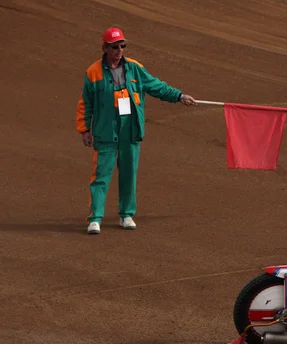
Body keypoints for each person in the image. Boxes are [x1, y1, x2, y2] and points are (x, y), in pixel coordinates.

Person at [76, 27, 197, 234]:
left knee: (129, 173)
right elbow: (86, 103)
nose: (119, 50)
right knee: (101, 175)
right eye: (115, 46)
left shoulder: (134, 68)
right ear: (105, 48)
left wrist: (178, 96)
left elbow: (156, 86)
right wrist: (84, 129)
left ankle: (126, 214)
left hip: (130, 129)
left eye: (122, 46)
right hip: (105, 129)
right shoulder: (93, 72)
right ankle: (95, 218)